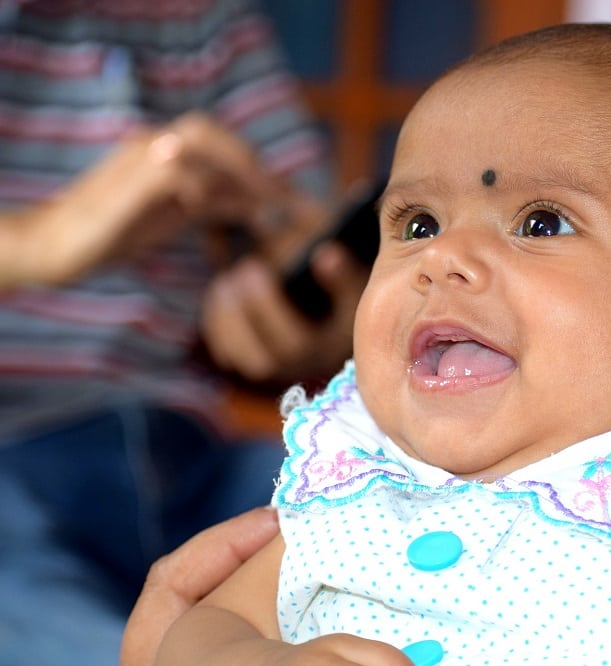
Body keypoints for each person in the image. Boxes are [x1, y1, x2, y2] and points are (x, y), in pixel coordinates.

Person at [155, 23, 611, 664]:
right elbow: (207, 625)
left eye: (540, 223)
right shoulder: (362, 475)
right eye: (417, 224)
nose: (440, 257)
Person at [0, 2, 370, 664]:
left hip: (192, 447)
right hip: (15, 459)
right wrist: (39, 242)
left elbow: (309, 264)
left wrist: (303, 294)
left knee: (397, 505)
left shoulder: (210, 21)